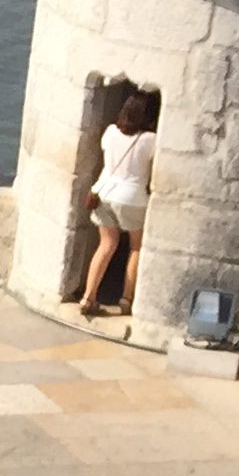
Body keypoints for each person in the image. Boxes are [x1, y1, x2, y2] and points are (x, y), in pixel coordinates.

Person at [82, 90, 157, 318]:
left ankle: (88, 297)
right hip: (132, 198)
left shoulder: (110, 132)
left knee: (106, 245)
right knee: (135, 248)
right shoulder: (150, 140)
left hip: (104, 194)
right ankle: (126, 299)